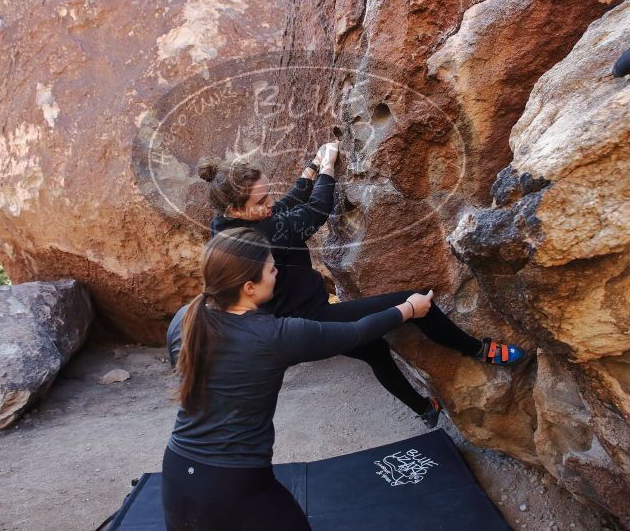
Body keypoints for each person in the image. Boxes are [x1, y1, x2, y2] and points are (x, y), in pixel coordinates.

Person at [196, 142, 527, 428]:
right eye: (260, 200)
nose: (269, 203)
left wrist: (310, 169)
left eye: (267, 193)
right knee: (417, 306)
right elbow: (314, 211)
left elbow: (279, 208)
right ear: (235, 209)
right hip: (309, 319)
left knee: (375, 351)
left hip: (296, 313)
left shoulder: (227, 222)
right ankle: (479, 350)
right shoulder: (259, 234)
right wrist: (327, 167)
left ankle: (425, 409)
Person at [164, 227, 433, 530]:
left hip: (176, 469)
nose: (277, 272)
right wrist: (408, 309)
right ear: (249, 287)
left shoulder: (184, 318)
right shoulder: (275, 336)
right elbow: (356, 332)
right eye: (271, 269)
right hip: (236, 482)